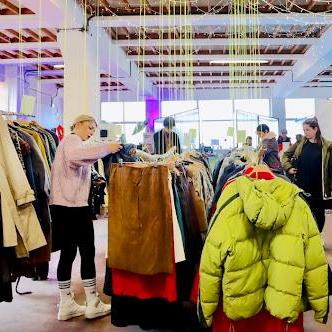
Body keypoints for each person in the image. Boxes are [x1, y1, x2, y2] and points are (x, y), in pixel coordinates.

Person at [49, 114, 122, 321]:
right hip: (74, 207)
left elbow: (79, 160)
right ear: (78, 124)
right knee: (87, 250)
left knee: (68, 253)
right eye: (89, 127)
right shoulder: (72, 140)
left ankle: (66, 304)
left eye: (93, 129)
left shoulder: (69, 143)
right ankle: (92, 302)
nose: (91, 132)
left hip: (62, 206)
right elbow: (76, 157)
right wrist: (107, 147)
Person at [282, 117, 332, 232]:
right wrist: (288, 168)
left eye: (308, 130)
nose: (305, 133)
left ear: (315, 129)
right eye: (304, 130)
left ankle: (317, 236)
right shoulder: (300, 143)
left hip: (319, 186)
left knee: (319, 213)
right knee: (302, 211)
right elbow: (285, 155)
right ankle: (306, 236)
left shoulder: (327, 146)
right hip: (301, 184)